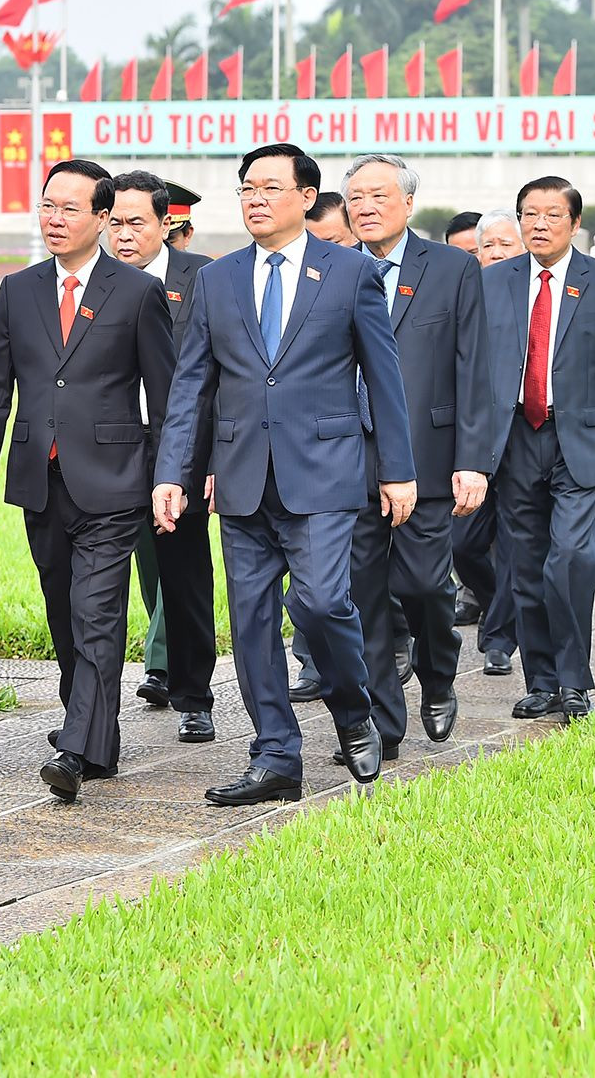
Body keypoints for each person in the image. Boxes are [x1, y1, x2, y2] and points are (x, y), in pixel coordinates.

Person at [154, 142, 416, 804]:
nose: (256, 199)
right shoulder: (217, 279)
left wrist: (398, 471)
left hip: (325, 471)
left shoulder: (351, 272)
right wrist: (173, 472)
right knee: (250, 623)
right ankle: (275, 754)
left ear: (306, 196)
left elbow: (383, 378)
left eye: (271, 187)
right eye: (247, 189)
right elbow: (191, 386)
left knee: (323, 603)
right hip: (241, 475)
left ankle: (354, 711)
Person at [0, 159, 176, 802]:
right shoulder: (18, 288)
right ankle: (96, 731)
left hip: (116, 481)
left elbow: (166, 396)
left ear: (102, 217)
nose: (54, 219)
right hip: (39, 478)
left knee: (96, 614)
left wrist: (168, 476)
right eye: (47, 206)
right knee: (63, 611)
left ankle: (75, 744)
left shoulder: (137, 291)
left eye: (69, 208)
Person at [327, 154, 493, 763]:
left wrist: (473, 460)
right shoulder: (332, 269)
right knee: (362, 592)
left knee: (423, 585)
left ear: (407, 204)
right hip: (348, 458)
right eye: (356, 198)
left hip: (428, 456)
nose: (366, 207)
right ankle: (382, 725)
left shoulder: (450, 268)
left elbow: (475, 367)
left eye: (378, 196)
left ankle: (439, 674)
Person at [484, 177, 595, 717]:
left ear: (575, 224)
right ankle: (542, 681)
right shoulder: (494, 281)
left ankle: (575, 681)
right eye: (529, 214)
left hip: (582, 440)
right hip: (514, 439)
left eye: (552, 215)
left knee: (572, 559)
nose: (539, 224)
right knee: (526, 565)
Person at [105, 172, 217, 743]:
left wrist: (215, 456)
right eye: (115, 223)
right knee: (114, 574)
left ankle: (194, 693)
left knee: (184, 571)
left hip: (179, 446)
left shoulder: (203, 279)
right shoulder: (91, 281)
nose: (125, 236)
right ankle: (99, 708)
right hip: (107, 450)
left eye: (137, 224)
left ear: (165, 224)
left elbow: (224, 374)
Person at [454, 210, 525, 674]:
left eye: (507, 244)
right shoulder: (467, 291)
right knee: (463, 542)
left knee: (520, 542)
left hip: (523, 434)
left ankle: (500, 636)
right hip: (472, 435)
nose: (496, 253)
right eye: (489, 245)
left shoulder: (532, 292)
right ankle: (491, 596)